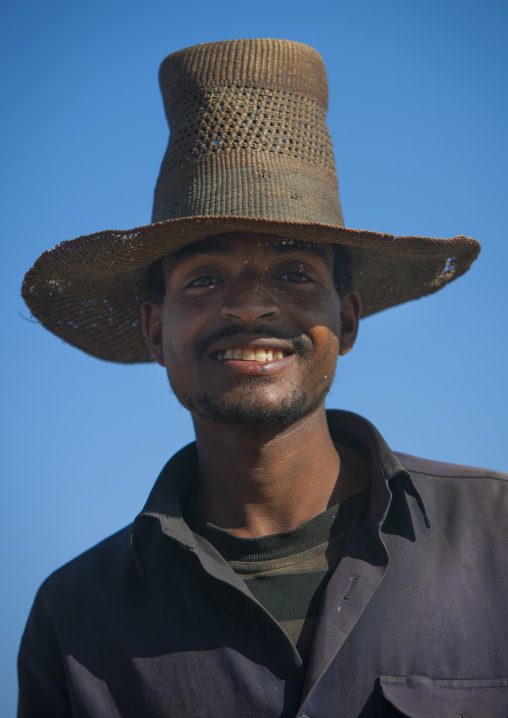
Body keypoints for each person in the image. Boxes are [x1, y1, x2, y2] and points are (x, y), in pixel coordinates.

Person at [18, 39, 508, 718]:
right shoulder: (74, 621)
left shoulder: (498, 536)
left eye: (294, 274)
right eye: (207, 278)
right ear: (156, 329)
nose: (251, 306)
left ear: (350, 318)